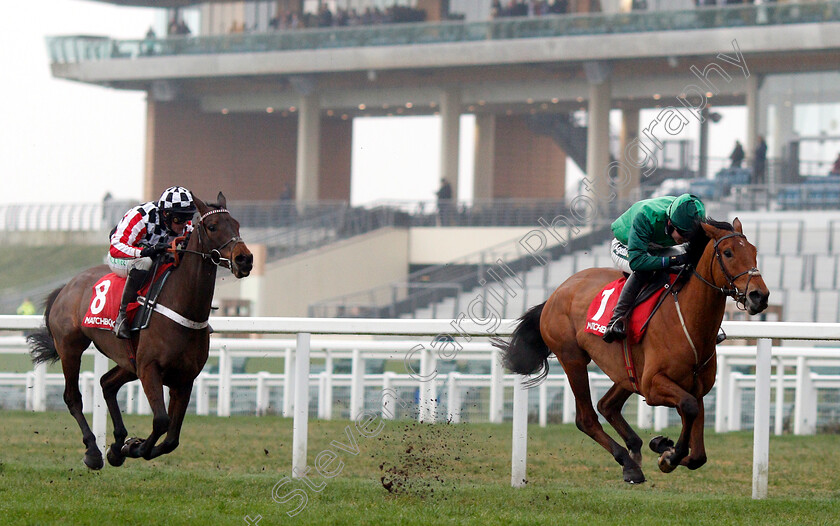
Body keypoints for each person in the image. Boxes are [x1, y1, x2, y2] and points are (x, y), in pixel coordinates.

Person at [602, 193, 706, 343]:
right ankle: (616, 319)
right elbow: (638, 262)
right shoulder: (645, 215)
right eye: (683, 233)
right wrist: (674, 260)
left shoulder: (691, 217)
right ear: (670, 222)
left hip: (656, 246)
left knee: (692, 268)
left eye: (691, 235)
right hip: (626, 246)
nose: (686, 239)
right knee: (647, 270)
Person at [108, 186, 196, 339]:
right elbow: (115, 248)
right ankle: (121, 316)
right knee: (145, 262)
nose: (183, 224)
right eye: (178, 219)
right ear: (165, 214)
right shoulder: (140, 217)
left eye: (187, 217)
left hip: (152, 257)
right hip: (121, 258)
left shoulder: (186, 224)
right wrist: (144, 252)